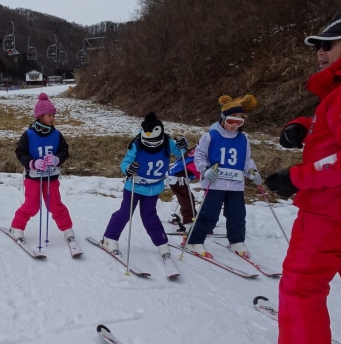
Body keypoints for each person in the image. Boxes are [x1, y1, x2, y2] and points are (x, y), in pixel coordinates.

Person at [241, 14, 341, 344]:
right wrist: (303, 127)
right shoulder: (335, 95)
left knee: (301, 293)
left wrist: (297, 177)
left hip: (329, 213)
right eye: (317, 45)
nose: (319, 52)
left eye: (328, 44)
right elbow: (333, 133)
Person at [101, 112, 187, 262]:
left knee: (150, 216)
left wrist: (183, 145)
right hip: (134, 186)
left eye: (155, 141)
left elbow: (181, 152)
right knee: (125, 213)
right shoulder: (136, 144)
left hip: (154, 187)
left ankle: (162, 243)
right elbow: (125, 162)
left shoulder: (167, 142)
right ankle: (109, 238)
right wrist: (128, 169)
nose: (152, 144)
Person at [185, 95, 261, 259]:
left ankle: (236, 241)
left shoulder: (243, 138)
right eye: (231, 121)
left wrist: (252, 172)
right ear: (223, 119)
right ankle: (195, 240)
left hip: (235, 184)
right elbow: (199, 156)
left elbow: (247, 159)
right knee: (209, 214)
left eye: (239, 123)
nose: (234, 126)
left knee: (237, 214)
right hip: (215, 182)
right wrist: (205, 170)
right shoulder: (211, 136)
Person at [8, 92, 76, 245]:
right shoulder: (29, 134)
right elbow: (20, 152)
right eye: (48, 115)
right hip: (33, 177)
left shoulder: (57, 134)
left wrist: (58, 158)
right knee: (31, 205)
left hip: (51, 177)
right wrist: (32, 163)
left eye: (53, 115)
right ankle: (16, 227)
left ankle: (67, 230)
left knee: (55, 204)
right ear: (39, 116)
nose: (52, 118)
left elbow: (65, 150)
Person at [166, 145, 200, 232]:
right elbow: (199, 173)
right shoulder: (194, 160)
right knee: (187, 200)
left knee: (185, 198)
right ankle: (188, 222)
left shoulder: (191, 154)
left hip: (176, 178)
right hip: (177, 180)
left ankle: (183, 216)